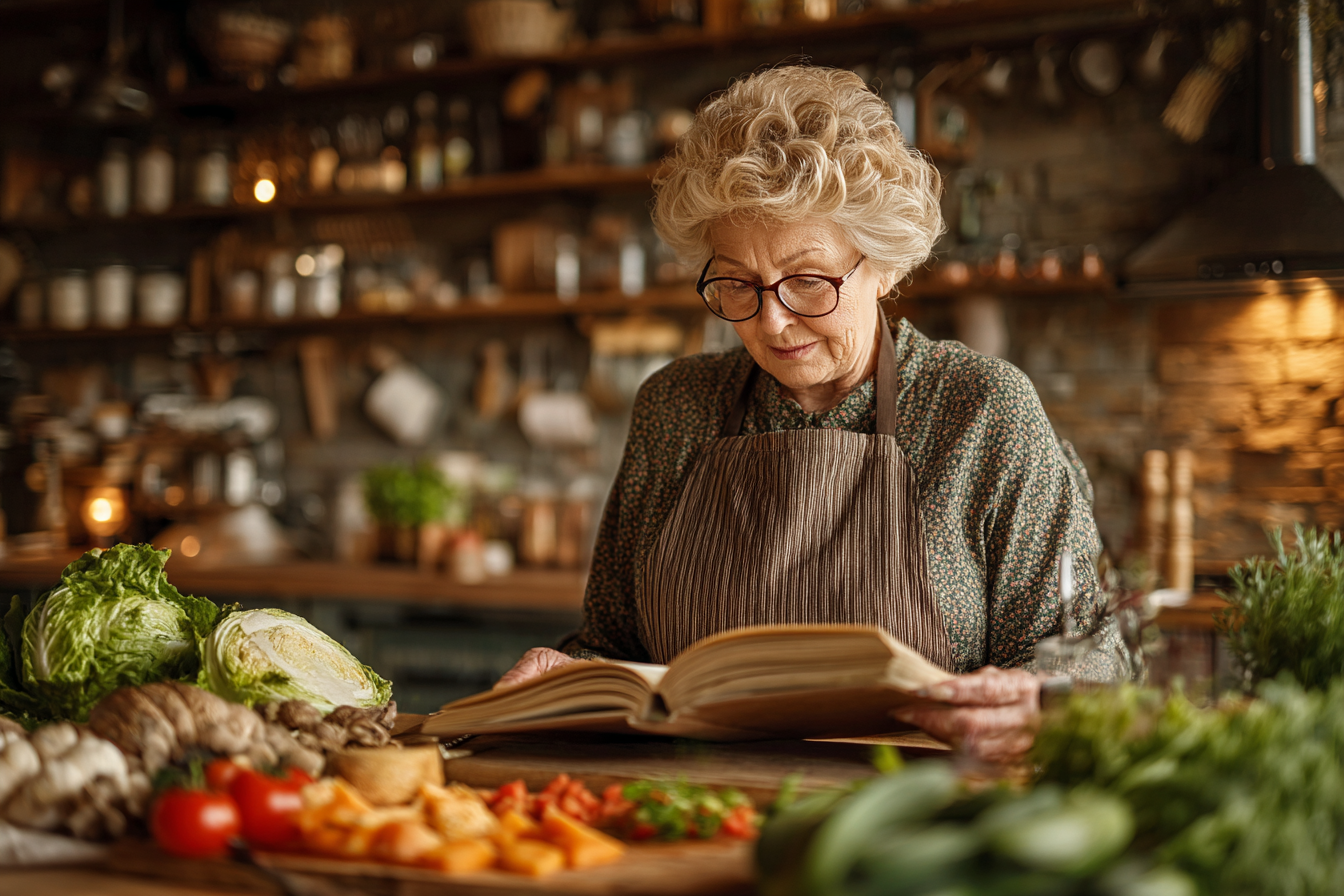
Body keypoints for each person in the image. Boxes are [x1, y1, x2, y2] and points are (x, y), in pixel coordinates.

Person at [497, 66, 1126, 762]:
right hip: (696, 810)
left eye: (807, 280)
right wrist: (568, 675)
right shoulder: (674, 408)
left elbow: (1091, 658)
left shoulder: (979, 410)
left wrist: (1040, 704)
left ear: (884, 265)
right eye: (737, 283)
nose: (772, 320)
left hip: (911, 823)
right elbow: (612, 645)